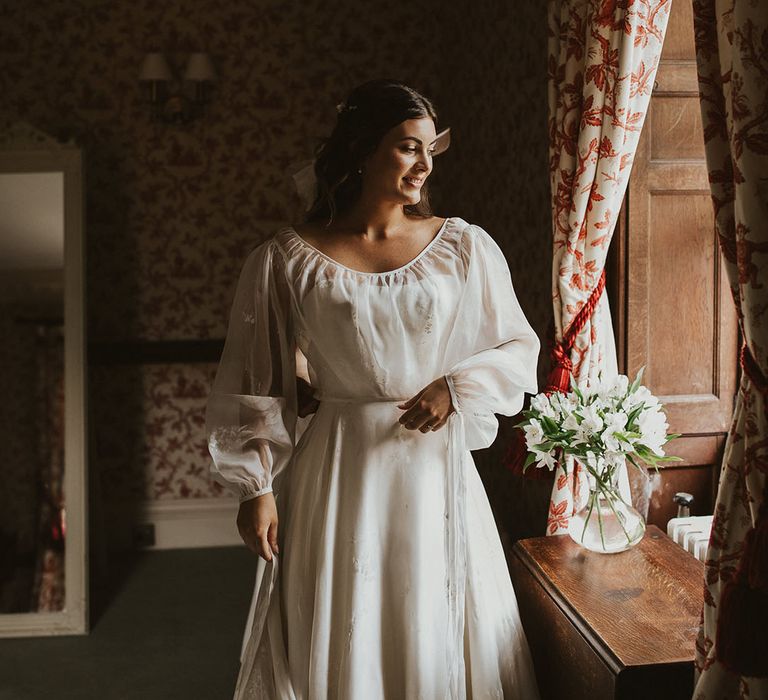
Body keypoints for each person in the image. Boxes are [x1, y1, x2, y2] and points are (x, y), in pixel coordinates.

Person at [206, 79, 542, 700]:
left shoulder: (464, 247)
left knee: (433, 618)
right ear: (363, 150)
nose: (425, 163)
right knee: (341, 625)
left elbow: (518, 347)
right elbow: (257, 378)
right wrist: (255, 487)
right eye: (407, 147)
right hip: (338, 469)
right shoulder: (286, 259)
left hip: (432, 468)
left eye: (429, 149)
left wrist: (455, 385)